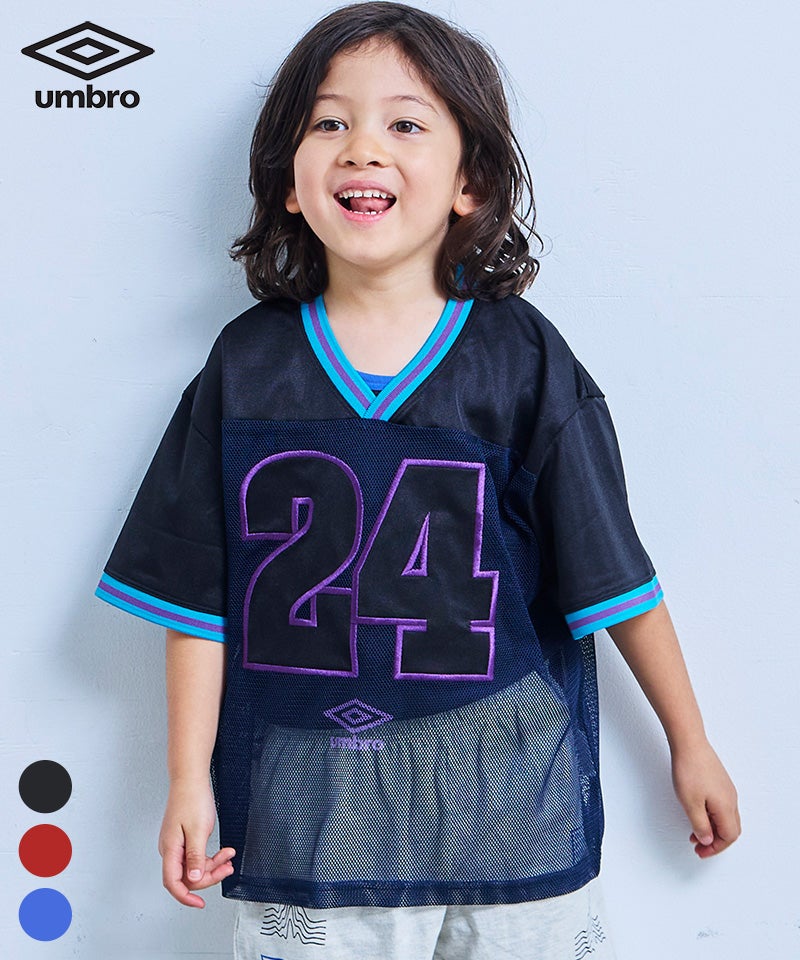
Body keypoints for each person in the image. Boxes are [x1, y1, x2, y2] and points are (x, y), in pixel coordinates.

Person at [95, 3, 740, 957]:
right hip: (315, 818)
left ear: (470, 181)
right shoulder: (246, 367)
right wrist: (187, 779)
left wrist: (691, 742)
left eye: (405, 123)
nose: (364, 147)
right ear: (287, 182)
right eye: (330, 122)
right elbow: (197, 599)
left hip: (507, 799)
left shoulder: (525, 362)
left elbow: (613, 577)